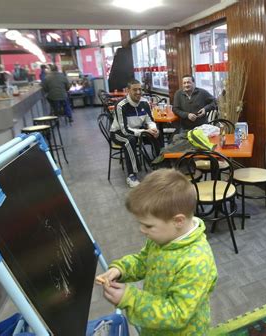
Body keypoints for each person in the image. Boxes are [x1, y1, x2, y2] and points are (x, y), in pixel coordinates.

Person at [96, 168, 218, 335]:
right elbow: (143, 261)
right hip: (155, 325)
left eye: (148, 225)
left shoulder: (196, 262)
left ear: (178, 221)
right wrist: (121, 269)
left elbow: (178, 314)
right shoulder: (162, 239)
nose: (141, 230)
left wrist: (131, 299)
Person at [110, 79, 160, 188]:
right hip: (118, 132)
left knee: (157, 134)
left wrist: (153, 129)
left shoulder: (145, 102)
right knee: (130, 139)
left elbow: (150, 121)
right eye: (135, 90)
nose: (138, 92)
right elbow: (125, 130)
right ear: (128, 90)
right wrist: (145, 131)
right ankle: (131, 175)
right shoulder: (121, 105)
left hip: (138, 130)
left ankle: (159, 164)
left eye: (140, 89)